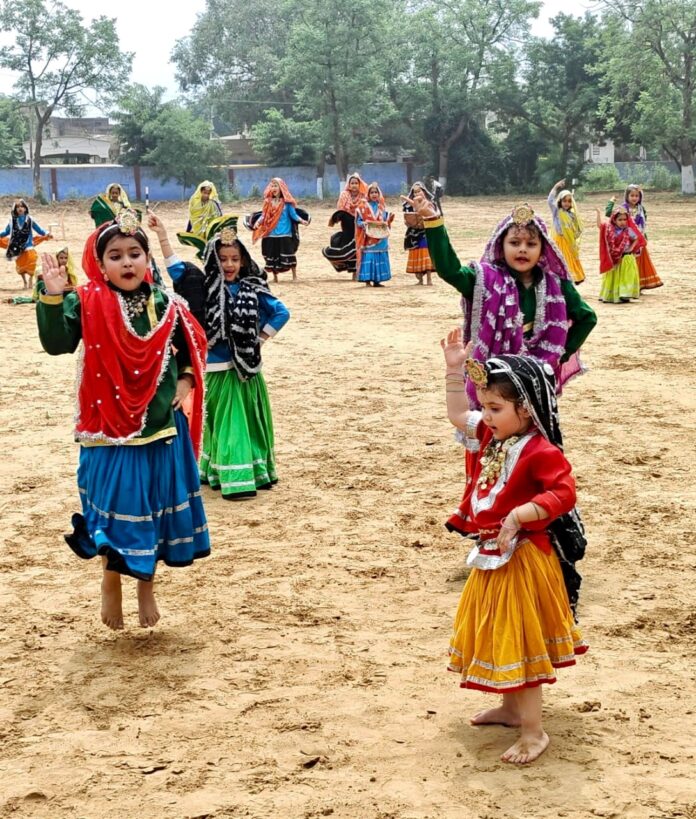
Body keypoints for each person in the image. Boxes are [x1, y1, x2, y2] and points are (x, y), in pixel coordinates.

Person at [36, 209, 210, 630]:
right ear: (101, 263)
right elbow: (57, 343)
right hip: (107, 433)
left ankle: (146, 587)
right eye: (115, 255)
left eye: (135, 253)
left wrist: (186, 381)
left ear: (147, 260)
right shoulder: (87, 300)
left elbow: (191, 346)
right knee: (115, 513)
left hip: (159, 430)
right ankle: (110, 581)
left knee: (152, 513)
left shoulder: (165, 303)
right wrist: (54, 295)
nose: (127, 262)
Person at [441, 327, 588, 764]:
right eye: (485, 406)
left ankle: (534, 731)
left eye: (495, 408)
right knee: (500, 633)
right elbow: (455, 416)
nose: (484, 416)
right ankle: (509, 709)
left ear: (525, 408)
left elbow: (564, 494)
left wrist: (520, 515)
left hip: (524, 559)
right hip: (493, 556)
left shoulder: (541, 450)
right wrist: (453, 372)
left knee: (520, 640)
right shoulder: (495, 437)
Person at [149, 213, 290, 500]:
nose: (229, 265)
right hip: (211, 368)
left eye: (235, 259)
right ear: (215, 260)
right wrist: (163, 236)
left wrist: (259, 340)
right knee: (217, 422)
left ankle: (238, 478)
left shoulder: (251, 287)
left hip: (242, 369)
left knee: (236, 423)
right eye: (224, 259)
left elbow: (281, 312)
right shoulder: (202, 286)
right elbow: (177, 270)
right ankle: (225, 472)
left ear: (243, 260)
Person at [407, 195, 596, 406]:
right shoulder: (484, 280)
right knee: (489, 430)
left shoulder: (557, 286)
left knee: (530, 433)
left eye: (531, 244)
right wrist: (433, 221)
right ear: (501, 245)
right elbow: (450, 271)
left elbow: (587, 318)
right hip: (492, 379)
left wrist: (558, 354)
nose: (522, 249)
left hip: (535, 379)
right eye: (514, 242)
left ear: (542, 249)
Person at [249, 178, 309, 282]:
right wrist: (257, 222)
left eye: (275, 186)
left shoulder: (287, 203)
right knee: (272, 255)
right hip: (270, 233)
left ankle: (294, 276)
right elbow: (264, 215)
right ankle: (275, 277)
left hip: (285, 233)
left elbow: (293, 215)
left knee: (289, 254)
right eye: (272, 186)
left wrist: (302, 221)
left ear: (281, 188)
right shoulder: (267, 202)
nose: (273, 188)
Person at [605, 185, 663, 291]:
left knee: (639, 262)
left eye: (637, 196)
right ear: (627, 196)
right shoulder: (623, 208)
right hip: (626, 239)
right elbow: (609, 213)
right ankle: (627, 285)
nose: (634, 198)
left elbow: (644, 222)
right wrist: (611, 202)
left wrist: (643, 236)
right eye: (632, 195)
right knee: (628, 263)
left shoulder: (641, 209)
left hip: (638, 240)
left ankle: (638, 284)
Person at [596, 205, 645, 304]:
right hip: (614, 260)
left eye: (624, 219)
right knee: (614, 278)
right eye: (620, 220)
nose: (623, 222)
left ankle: (625, 295)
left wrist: (631, 248)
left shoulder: (628, 230)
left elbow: (636, 238)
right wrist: (598, 214)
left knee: (626, 277)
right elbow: (600, 226)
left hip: (626, 258)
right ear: (614, 220)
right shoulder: (609, 229)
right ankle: (611, 295)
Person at [322, 173, 368, 278]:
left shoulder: (364, 196)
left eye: (356, 183)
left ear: (359, 184)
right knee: (347, 248)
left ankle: (356, 273)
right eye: (352, 183)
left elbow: (366, 210)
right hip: (347, 227)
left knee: (358, 248)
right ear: (349, 184)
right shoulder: (344, 195)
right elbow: (341, 210)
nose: (354, 185)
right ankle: (352, 271)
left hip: (359, 226)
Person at [0, 200, 51, 289]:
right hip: (16, 247)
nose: (20, 208)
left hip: (28, 246)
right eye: (17, 207)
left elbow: (39, 230)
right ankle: (24, 282)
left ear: (25, 208)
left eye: (22, 206)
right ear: (15, 209)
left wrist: (47, 233)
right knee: (20, 265)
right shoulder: (12, 221)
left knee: (31, 261)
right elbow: (6, 232)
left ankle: (31, 278)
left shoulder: (30, 220)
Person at [355, 182, 394, 287]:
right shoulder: (362, 207)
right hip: (369, 237)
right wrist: (364, 224)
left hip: (381, 238)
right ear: (368, 193)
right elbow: (358, 222)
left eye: (376, 192)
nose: (374, 194)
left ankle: (377, 281)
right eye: (372, 192)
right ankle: (367, 281)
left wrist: (389, 220)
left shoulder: (382, 206)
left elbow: (385, 221)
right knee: (369, 257)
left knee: (380, 256)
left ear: (379, 193)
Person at [547, 179, 585, 284]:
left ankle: (574, 278)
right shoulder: (557, 211)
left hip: (568, 242)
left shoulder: (572, 215)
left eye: (569, 201)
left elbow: (577, 229)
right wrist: (556, 187)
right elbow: (550, 200)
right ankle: (563, 279)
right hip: (558, 241)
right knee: (561, 260)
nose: (567, 203)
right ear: (560, 201)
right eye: (564, 201)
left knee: (570, 259)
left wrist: (574, 236)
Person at [403, 181, 441, 285]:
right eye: (414, 192)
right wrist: (409, 222)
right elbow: (406, 221)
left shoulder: (429, 203)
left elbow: (435, 216)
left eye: (419, 191)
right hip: (413, 233)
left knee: (426, 252)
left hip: (426, 232)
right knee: (416, 253)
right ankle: (420, 279)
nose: (417, 194)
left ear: (423, 191)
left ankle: (429, 279)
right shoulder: (408, 206)